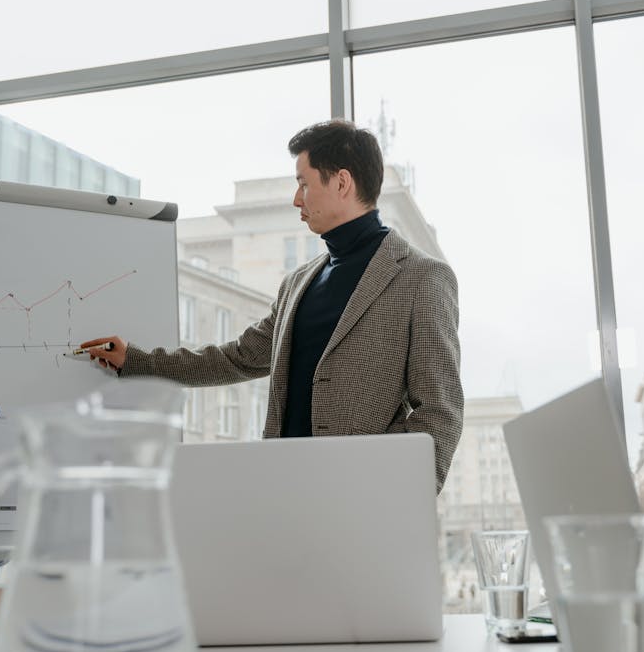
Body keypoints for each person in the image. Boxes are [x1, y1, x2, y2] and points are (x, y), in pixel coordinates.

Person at [81, 120, 464, 490]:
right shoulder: (297, 283)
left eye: (303, 183)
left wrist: (390, 492)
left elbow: (440, 412)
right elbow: (235, 358)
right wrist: (136, 359)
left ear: (342, 182)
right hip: (283, 492)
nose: (296, 199)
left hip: (365, 504)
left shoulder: (422, 278)